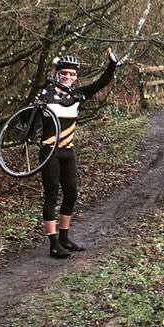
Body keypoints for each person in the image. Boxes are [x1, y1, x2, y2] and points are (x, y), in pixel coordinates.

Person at [38, 47, 118, 258]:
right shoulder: (47, 93)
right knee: (51, 196)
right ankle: (53, 243)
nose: (68, 76)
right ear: (58, 74)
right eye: (64, 73)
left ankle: (64, 237)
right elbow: (27, 120)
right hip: (49, 152)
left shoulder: (77, 95)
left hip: (68, 151)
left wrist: (112, 64)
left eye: (72, 74)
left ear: (76, 77)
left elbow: (101, 83)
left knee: (71, 193)